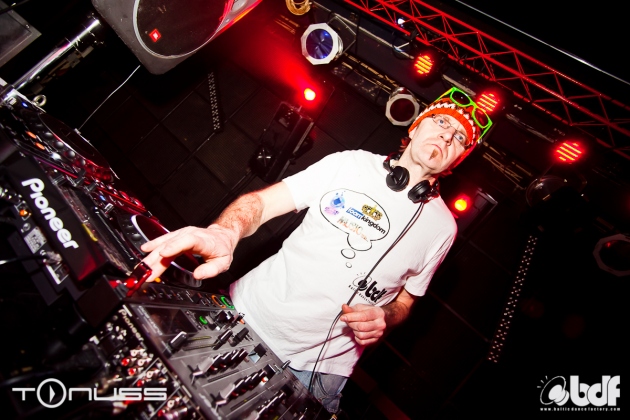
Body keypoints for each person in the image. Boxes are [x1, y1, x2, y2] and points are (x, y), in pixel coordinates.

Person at [140, 87, 492, 414]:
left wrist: (385, 316)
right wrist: (224, 232)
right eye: (441, 121)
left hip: (318, 371)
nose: (447, 135)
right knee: (156, 401)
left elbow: (406, 301)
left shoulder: (442, 229)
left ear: (458, 160)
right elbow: (261, 204)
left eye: (460, 137)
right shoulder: (350, 163)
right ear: (415, 127)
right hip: (246, 314)